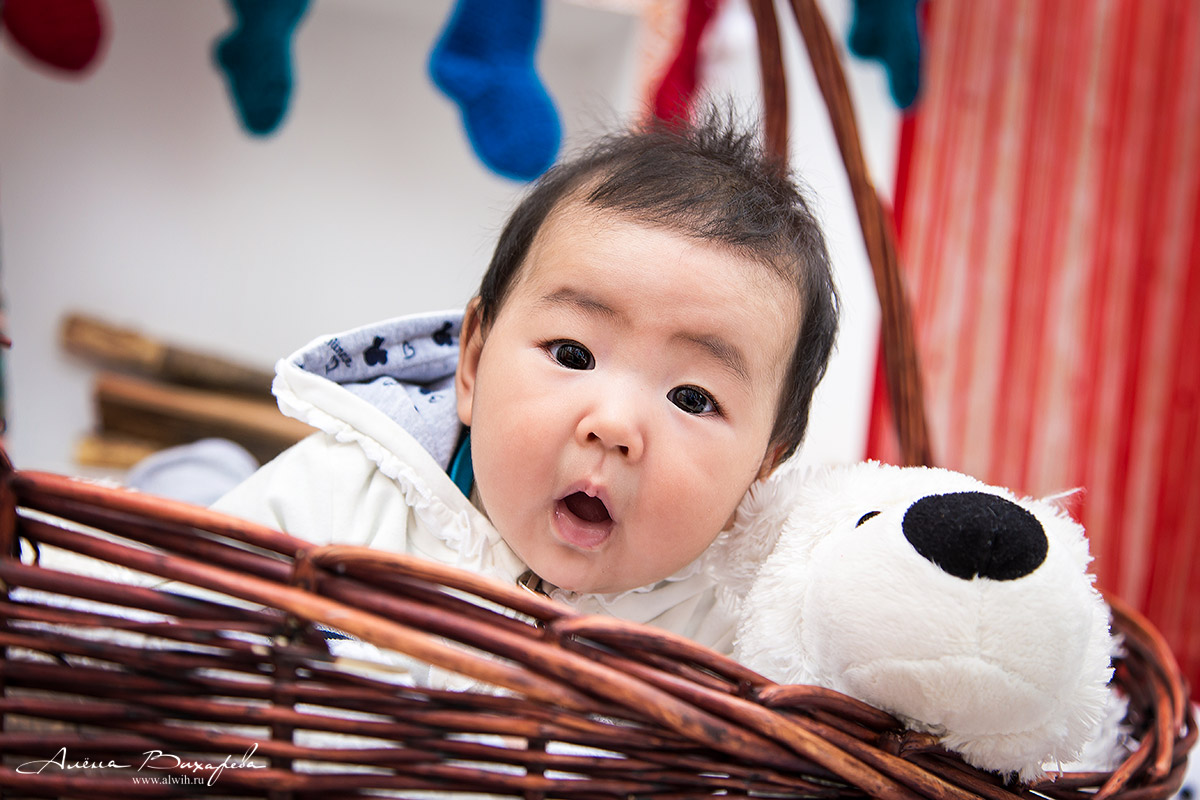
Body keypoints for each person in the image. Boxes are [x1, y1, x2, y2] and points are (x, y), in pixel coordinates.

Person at [212, 109, 839, 655]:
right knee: (200, 483)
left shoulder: (732, 630)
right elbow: (166, 618)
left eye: (692, 399)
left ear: (762, 469)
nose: (614, 425)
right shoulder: (346, 494)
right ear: (475, 363)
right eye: (571, 353)